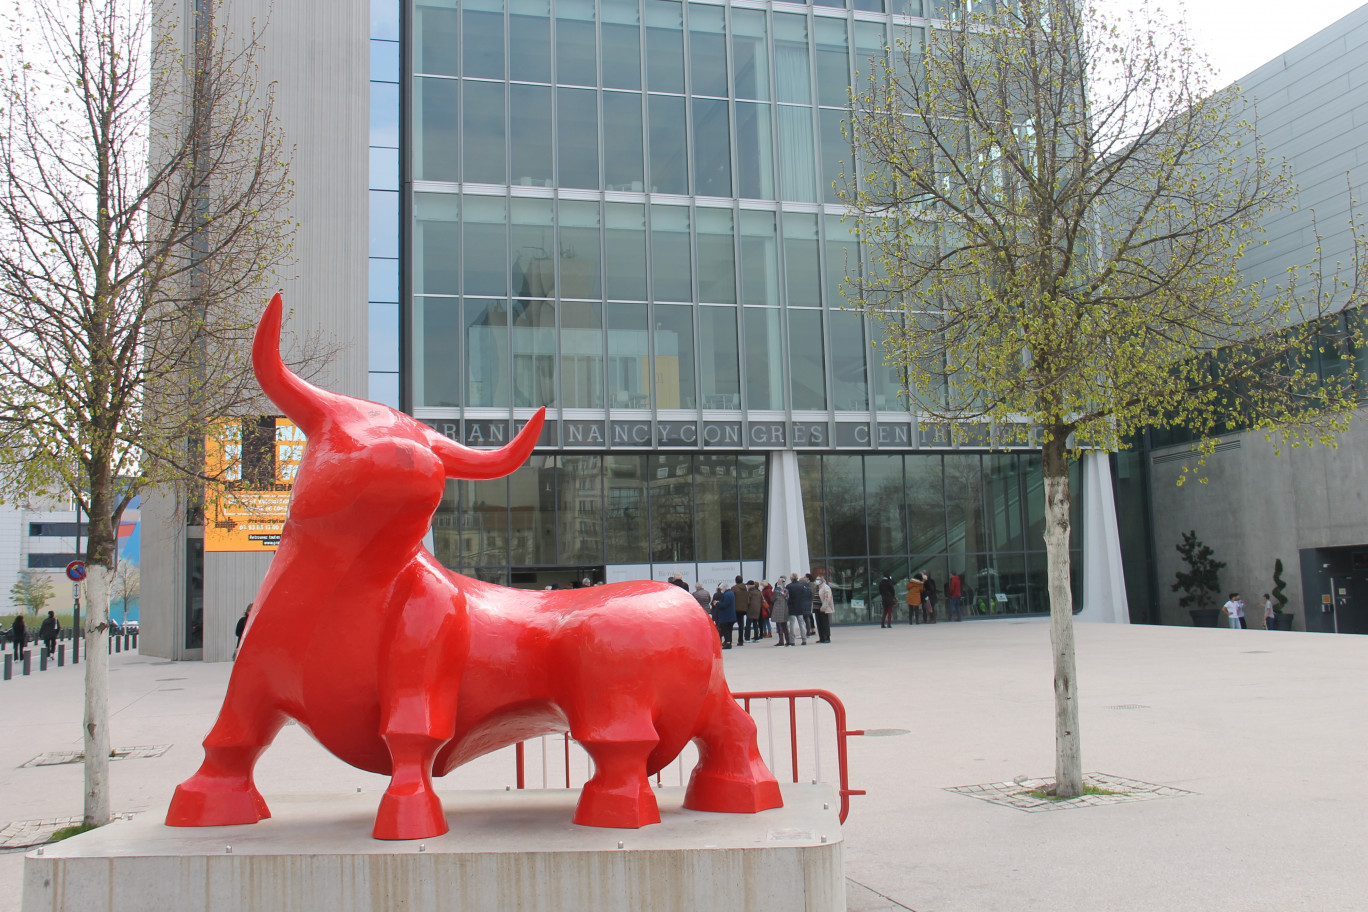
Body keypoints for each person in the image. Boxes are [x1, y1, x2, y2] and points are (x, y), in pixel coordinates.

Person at [786, 573, 810, 645]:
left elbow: (787, 596)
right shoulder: (801, 586)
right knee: (801, 624)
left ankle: (792, 640)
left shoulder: (789, 586)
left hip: (792, 606)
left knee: (792, 624)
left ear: (792, 578)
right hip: (800, 606)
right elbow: (804, 595)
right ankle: (804, 639)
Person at [711, 584, 737, 648]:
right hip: (731, 615)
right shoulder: (731, 593)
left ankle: (727, 643)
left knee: (725, 630)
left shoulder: (726, 595)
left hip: (726, 616)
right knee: (729, 630)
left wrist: (717, 603)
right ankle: (729, 642)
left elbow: (724, 605)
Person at [770, 579, 791, 646]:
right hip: (785, 608)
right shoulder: (786, 590)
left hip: (778, 608)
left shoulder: (777, 590)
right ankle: (788, 640)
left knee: (779, 625)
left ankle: (781, 641)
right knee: (785, 625)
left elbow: (772, 599)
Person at [814, 575, 834, 643]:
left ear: (822, 580)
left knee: (825, 623)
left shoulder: (825, 587)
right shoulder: (817, 587)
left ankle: (827, 637)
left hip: (823, 609)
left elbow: (827, 598)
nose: (816, 581)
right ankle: (821, 638)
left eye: (818, 579)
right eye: (816, 579)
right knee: (819, 624)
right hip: (816, 608)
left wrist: (823, 607)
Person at [731, 576, 750, 645]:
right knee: (741, 625)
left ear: (736, 580)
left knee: (730, 624)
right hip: (743, 609)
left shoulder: (734, 588)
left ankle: (728, 640)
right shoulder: (745, 589)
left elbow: (731, 598)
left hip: (735, 608)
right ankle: (740, 640)